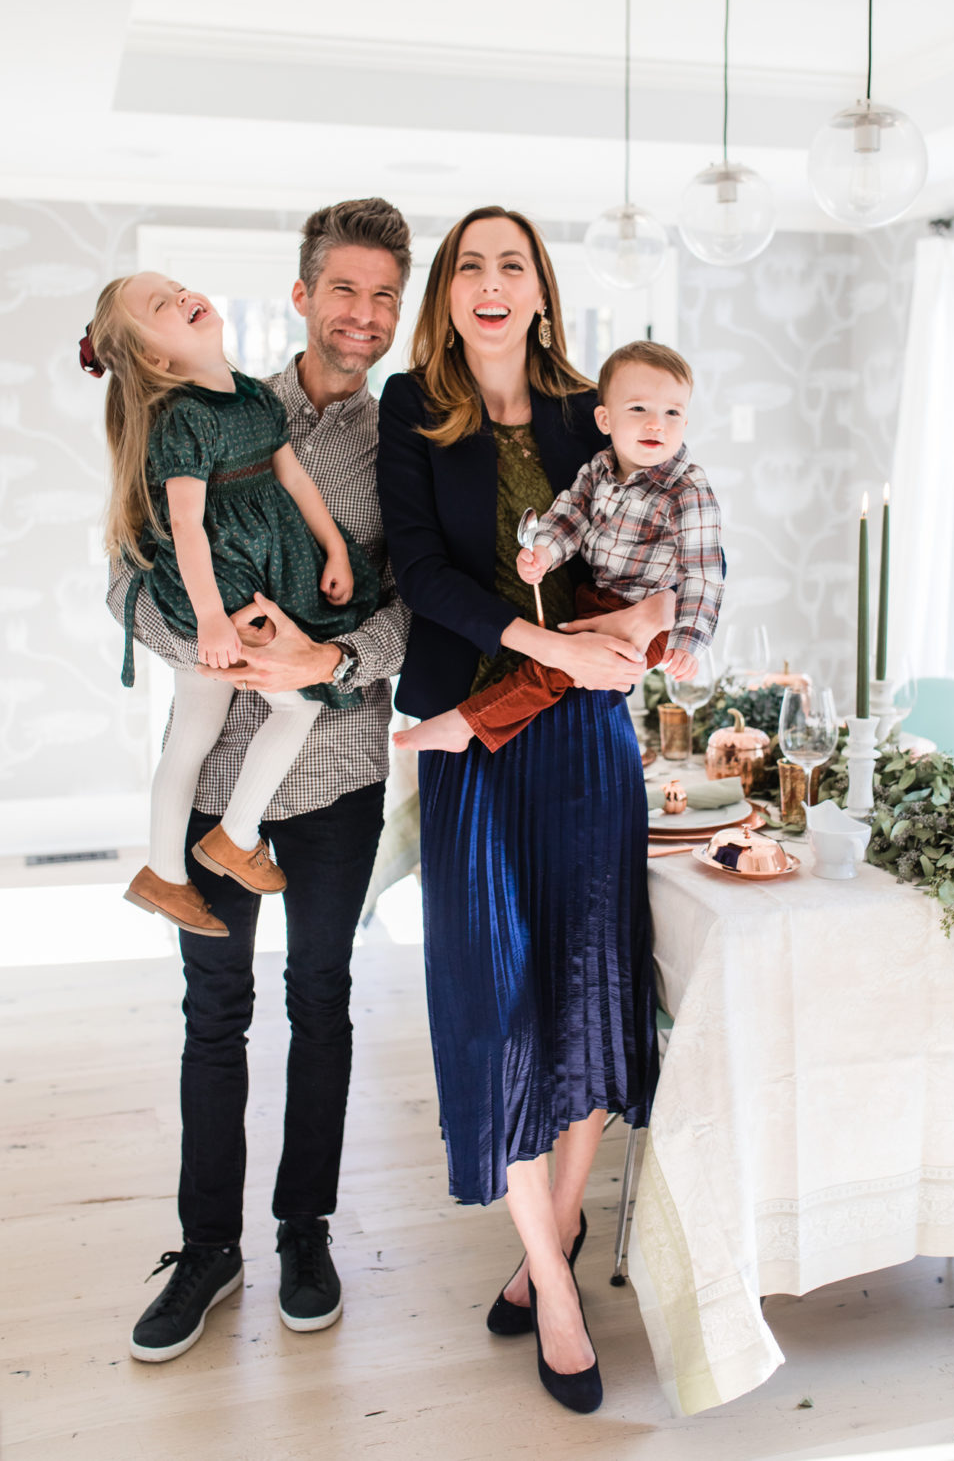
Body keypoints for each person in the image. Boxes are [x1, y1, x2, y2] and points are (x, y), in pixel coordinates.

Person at [106, 199, 411, 1363]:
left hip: (333, 767)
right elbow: (125, 577)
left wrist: (329, 656)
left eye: (384, 295)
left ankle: (303, 1229)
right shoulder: (204, 401)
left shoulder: (402, 447)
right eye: (344, 290)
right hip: (215, 772)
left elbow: (408, 614)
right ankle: (205, 1250)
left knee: (323, 1000)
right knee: (214, 1014)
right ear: (301, 295)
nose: (363, 315)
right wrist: (211, 638)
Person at [377, 205, 666, 1415]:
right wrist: (525, 639)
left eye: (513, 264)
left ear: (540, 289)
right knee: (494, 1004)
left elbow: (654, 545)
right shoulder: (409, 407)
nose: (490, 283)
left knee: (593, 991)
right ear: (448, 292)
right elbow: (416, 569)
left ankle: (538, 1251)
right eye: (469, 266)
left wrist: (626, 637)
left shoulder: (585, 407)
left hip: (585, 735)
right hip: (473, 747)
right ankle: (555, 1287)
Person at [85, 273, 380, 935]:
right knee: (293, 704)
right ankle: (234, 835)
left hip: (248, 579)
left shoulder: (251, 396)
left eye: (177, 286)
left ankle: (167, 872)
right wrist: (212, 618)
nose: (183, 295)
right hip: (211, 594)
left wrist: (334, 548)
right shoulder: (184, 421)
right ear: (157, 359)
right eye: (161, 305)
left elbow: (295, 479)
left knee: (196, 730)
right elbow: (185, 527)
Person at [393, 340, 724, 754]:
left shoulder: (686, 488)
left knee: (550, 670)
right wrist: (544, 553)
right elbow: (570, 515)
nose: (656, 424)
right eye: (639, 409)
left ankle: (468, 724)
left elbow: (705, 571)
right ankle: (474, 721)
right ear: (604, 419)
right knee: (554, 655)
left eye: (672, 412)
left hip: (651, 620)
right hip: (597, 598)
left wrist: (687, 639)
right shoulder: (600, 468)